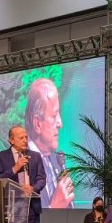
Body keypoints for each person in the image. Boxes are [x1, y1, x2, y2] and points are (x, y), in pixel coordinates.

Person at [0, 125, 46, 223]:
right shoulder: (0, 157)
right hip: (11, 208)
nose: (25, 140)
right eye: (21, 137)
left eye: (26, 137)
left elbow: (42, 178)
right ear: (11, 140)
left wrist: (33, 188)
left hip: (31, 207)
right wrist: (15, 168)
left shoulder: (35, 156)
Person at [26, 79, 75, 209]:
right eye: (54, 116)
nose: (60, 123)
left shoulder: (57, 160)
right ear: (37, 124)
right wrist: (54, 207)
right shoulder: (21, 163)